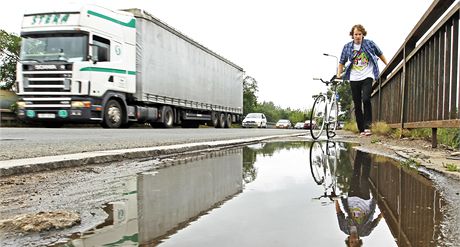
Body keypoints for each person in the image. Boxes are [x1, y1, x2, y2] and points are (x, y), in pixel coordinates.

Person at [336, 24, 388, 136]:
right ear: (352, 35)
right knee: (357, 104)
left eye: (360, 34)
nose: (358, 36)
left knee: (366, 99)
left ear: (363, 34)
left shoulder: (369, 43)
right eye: (356, 34)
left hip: (367, 75)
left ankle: (368, 127)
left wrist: (387, 65)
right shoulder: (347, 47)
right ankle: (361, 129)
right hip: (354, 78)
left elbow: (380, 54)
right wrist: (339, 74)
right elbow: (341, 62)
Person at [335, 150, 383, 247]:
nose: (354, 240)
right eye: (356, 242)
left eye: (352, 242)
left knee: (355, 174)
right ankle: (367, 155)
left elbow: (339, 213)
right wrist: (382, 214)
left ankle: (360, 152)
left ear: (348, 241)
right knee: (364, 178)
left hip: (352, 199)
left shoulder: (344, 228)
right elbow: (375, 222)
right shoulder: (365, 232)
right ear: (359, 241)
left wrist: (335, 200)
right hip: (365, 201)